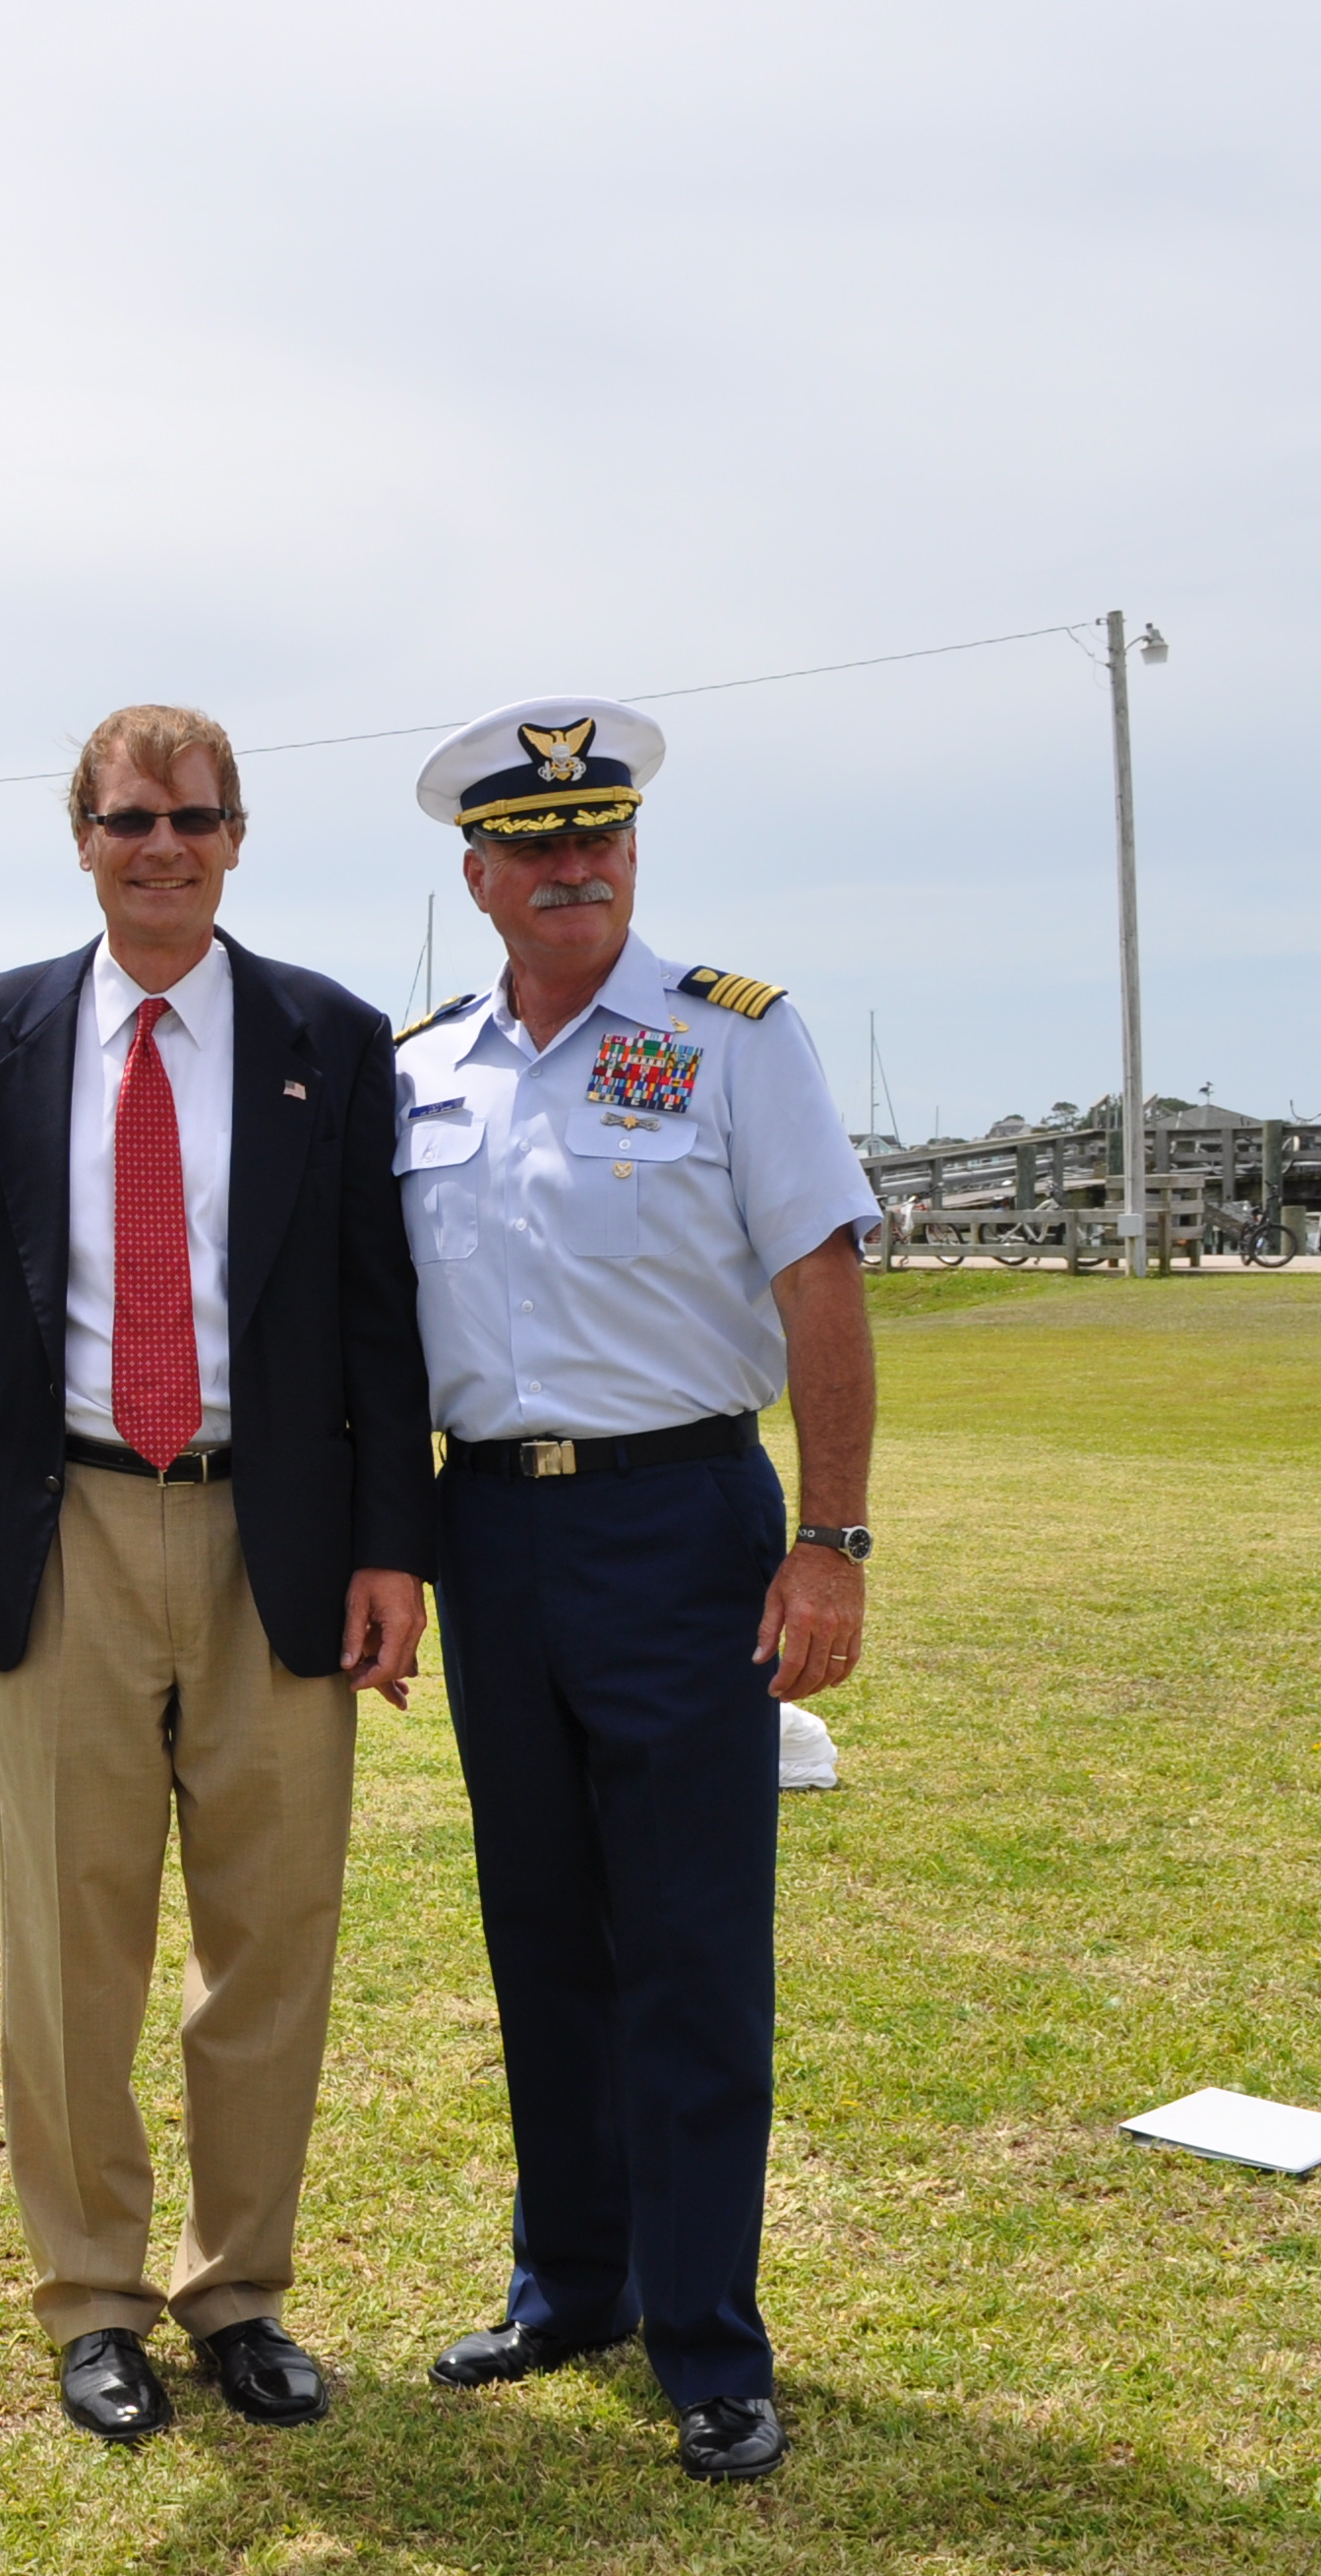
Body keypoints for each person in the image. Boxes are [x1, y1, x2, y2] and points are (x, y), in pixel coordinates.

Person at [0, 705, 432, 2441]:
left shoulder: (326, 1037)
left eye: (192, 817)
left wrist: (393, 1549)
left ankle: (239, 2293)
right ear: (83, 837)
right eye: (129, 819)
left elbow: (376, 1308)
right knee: (72, 1944)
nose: (161, 846)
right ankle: (94, 2299)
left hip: (280, 1536)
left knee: (271, 1939)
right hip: (73, 1530)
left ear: (238, 835)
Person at [389, 699, 879, 2484]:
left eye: (599, 835)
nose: (573, 866)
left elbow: (821, 1288)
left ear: (632, 852)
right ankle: (568, 2283)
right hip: (491, 1533)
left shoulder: (736, 1040)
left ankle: (709, 2337)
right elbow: (387, 1334)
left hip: (682, 1525)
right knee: (544, 1937)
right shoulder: (420, 1065)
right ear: (479, 876)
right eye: (535, 845)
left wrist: (829, 1542)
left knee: (686, 1946)